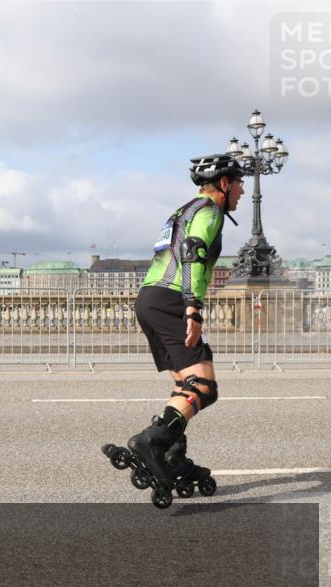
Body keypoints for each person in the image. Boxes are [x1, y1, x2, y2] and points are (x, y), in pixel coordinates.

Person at [125, 154, 245, 490]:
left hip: (150, 297)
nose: (242, 192)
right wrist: (192, 308)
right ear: (224, 183)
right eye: (238, 184)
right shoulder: (209, 212)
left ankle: (173, 457)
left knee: (185, 386)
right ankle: (151, 442)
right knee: (204, 387)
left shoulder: (183, 210)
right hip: (172, 299)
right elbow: (193, 252)